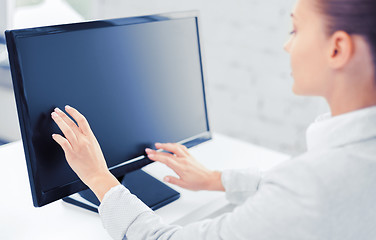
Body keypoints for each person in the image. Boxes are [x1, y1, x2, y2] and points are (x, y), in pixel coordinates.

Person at [50, 0, 376, 238]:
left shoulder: (315, 184)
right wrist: (215, 179)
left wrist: (98, 178)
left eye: (295, 29)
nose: (286, 45)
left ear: (337, 49)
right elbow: (299, 191)